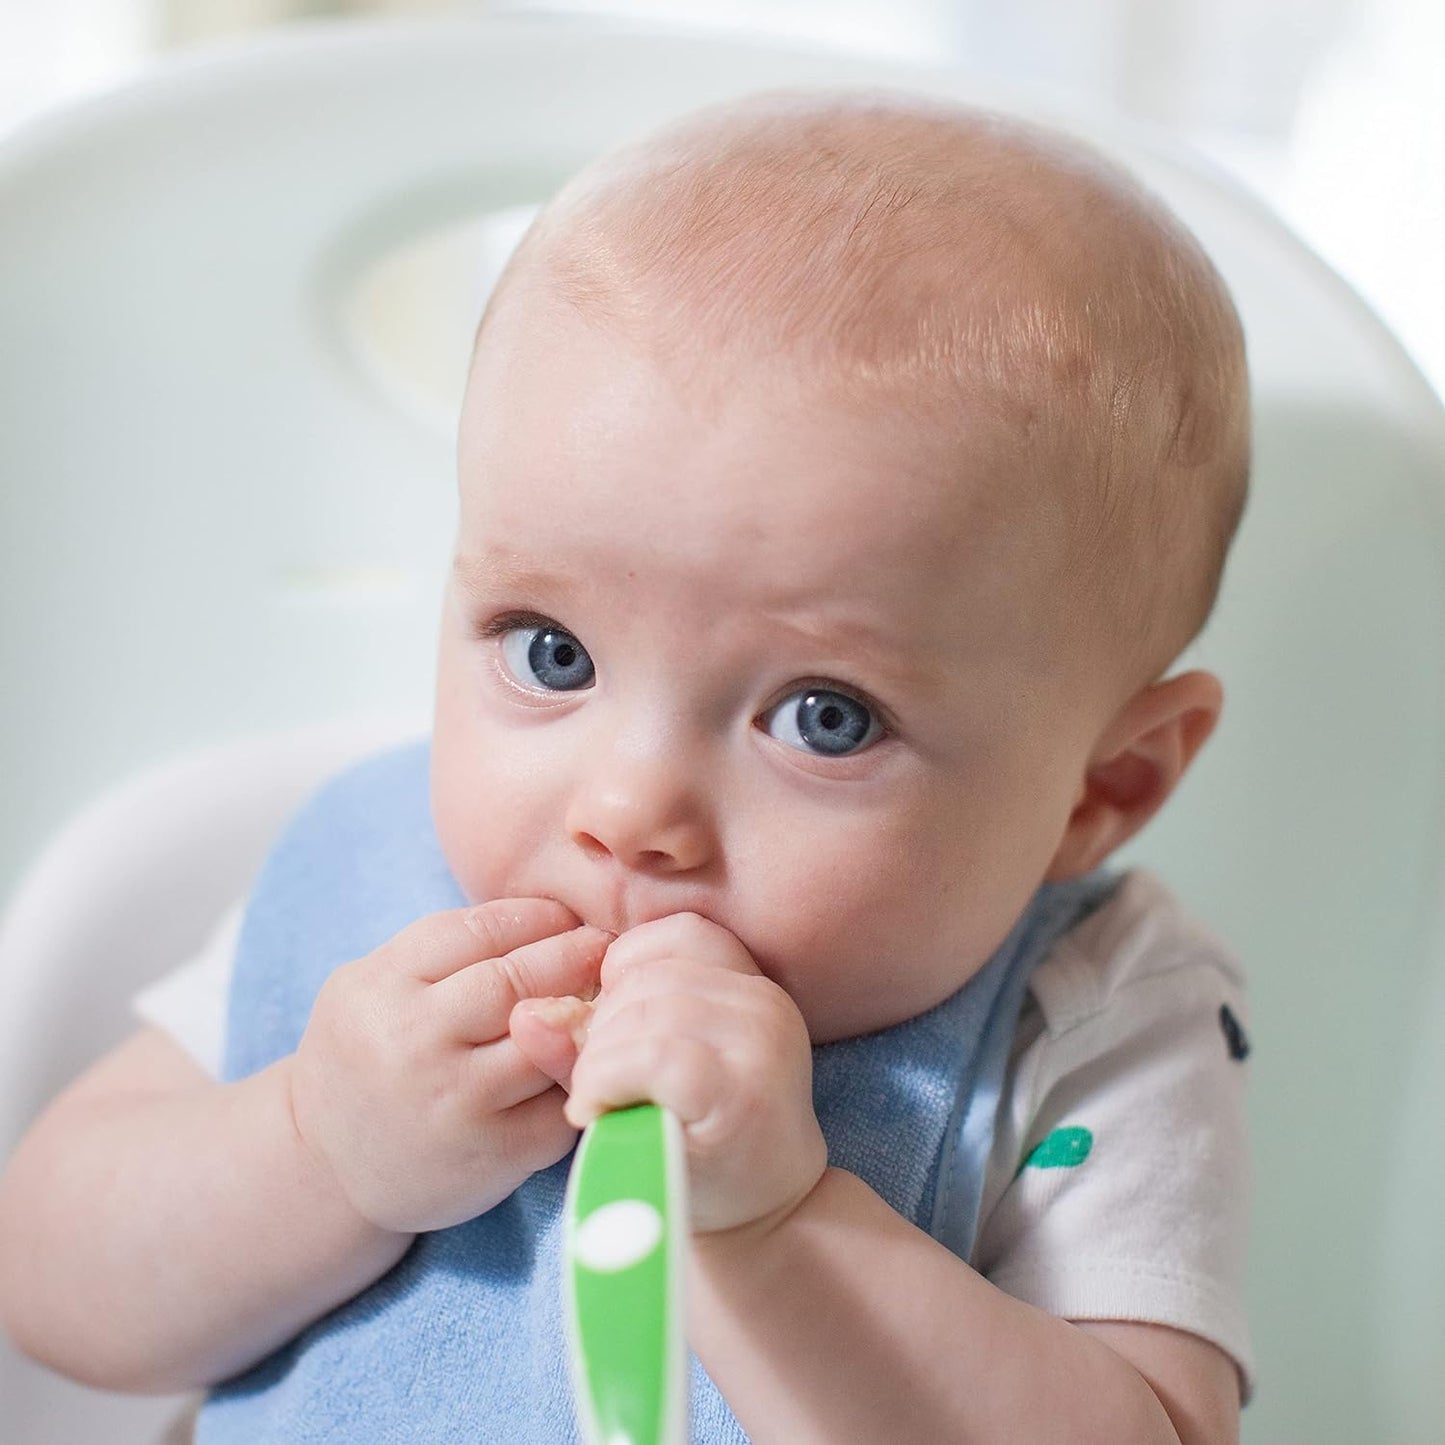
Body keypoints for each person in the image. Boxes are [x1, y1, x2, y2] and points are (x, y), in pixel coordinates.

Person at [0, 91, 1253, 1442]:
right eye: (548, 651)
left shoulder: (1088, 1015)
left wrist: (780, 1229)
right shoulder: (364, 887)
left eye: (823, 717)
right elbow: (53, 1283)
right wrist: (319, 1148)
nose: (626, 811)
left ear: (1099, 787)